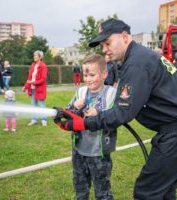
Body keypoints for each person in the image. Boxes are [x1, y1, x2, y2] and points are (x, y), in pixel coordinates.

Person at [54, 18, 177, 200]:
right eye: (102, 44)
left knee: (147, 191)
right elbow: (110, 85)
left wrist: (83, 123)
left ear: (124, 36)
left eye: (107, 43)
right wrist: (75, 111)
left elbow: (122, 113)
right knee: (164, 190)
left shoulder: (136, 63)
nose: (104, 49)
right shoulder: (137, 57)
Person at [62, 54, 117, 200]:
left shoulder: (110, 93)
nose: (88, 79)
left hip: (99, 153)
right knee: (80, 188)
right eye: (85, 75)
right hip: (79, 150)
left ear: (104, 74)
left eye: (92, 75)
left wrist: (98, 112)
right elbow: (67, 113)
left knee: (102, 191)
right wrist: (74, 106)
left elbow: (116, 115)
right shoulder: (81, 92)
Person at [23, 50, 48, 126]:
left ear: (40, 57)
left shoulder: (43, 66)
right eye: (34, 55)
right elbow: (29, 77)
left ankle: (44, 120)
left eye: (35, 55)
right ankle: (34, 120)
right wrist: (26, 86)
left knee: (41, 104)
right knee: (33, 105)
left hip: (40, 89)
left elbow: (43, 79)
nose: (34, 57)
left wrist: (33, 83)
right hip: (32, 89)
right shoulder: (33, 65)